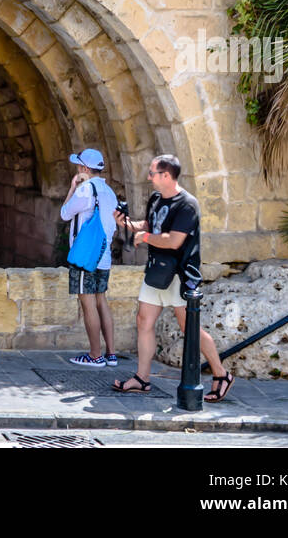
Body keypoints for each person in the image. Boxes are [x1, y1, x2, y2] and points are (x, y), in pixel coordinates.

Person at [112, 154, 234, 402]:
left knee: (189, 327)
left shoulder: (187, 205)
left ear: (166, 175)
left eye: (152, 173)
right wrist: (130, 225)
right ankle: (142, 379)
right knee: (143, 321)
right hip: (156, 270)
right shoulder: (157, 198)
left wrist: (144, 238)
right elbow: (153, 224)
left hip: (179, 273)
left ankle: (221, 375)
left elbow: (174, 240)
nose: (148, 177)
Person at [61, 148, 118, 367]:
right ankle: (111, 354)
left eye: (78, 166)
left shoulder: (85, 190)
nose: (77, 170)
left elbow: (65, 213)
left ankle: (95, 355)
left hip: (85, 256)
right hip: (104, 256)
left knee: (88, 303)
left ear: (85, 169)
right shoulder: (109, 192)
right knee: (101, 300)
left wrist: (73, 187)